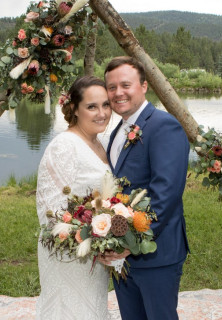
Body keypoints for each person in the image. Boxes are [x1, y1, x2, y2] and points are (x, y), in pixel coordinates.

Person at [102, 56, 190, 320]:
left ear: (144, 85)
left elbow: (166, 193)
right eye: (112, 87)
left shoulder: (165, 126)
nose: (118, 93)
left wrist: (133, 241)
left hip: (156, 255)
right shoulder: (118, 129)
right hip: (123, 255)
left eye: (125, 85)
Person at [36, 75, 112, 320]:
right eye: (91, 106)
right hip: (69, 255)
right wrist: (88, 236)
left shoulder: (100, 142)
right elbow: (50, 207)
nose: (101, 113)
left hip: (95, 249)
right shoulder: (65, 145)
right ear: (75, 109)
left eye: (106, 104)